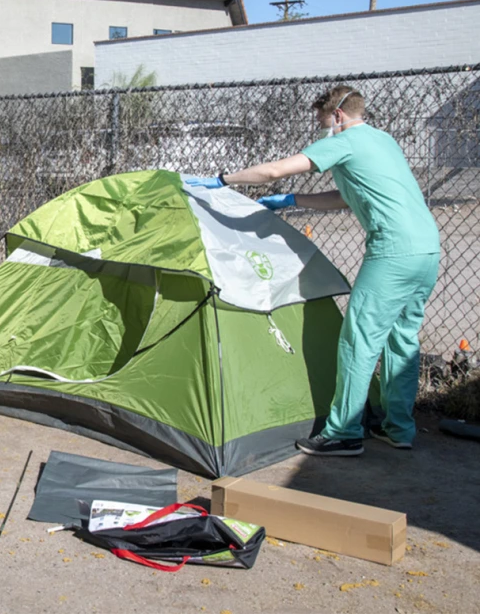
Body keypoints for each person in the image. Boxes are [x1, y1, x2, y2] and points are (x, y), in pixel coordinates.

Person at [185, 85, 441, 457]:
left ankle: (343, 433)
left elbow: (275, 169)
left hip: (392, 253)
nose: (321, 128)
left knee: (360, 341)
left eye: (322, 121)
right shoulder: (383, 141)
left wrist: (223, 180)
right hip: (426, 249)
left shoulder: (346, 140)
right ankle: (399, 428)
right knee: (402, 339)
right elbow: (345, 197)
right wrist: (292, 200)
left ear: (337, 115)